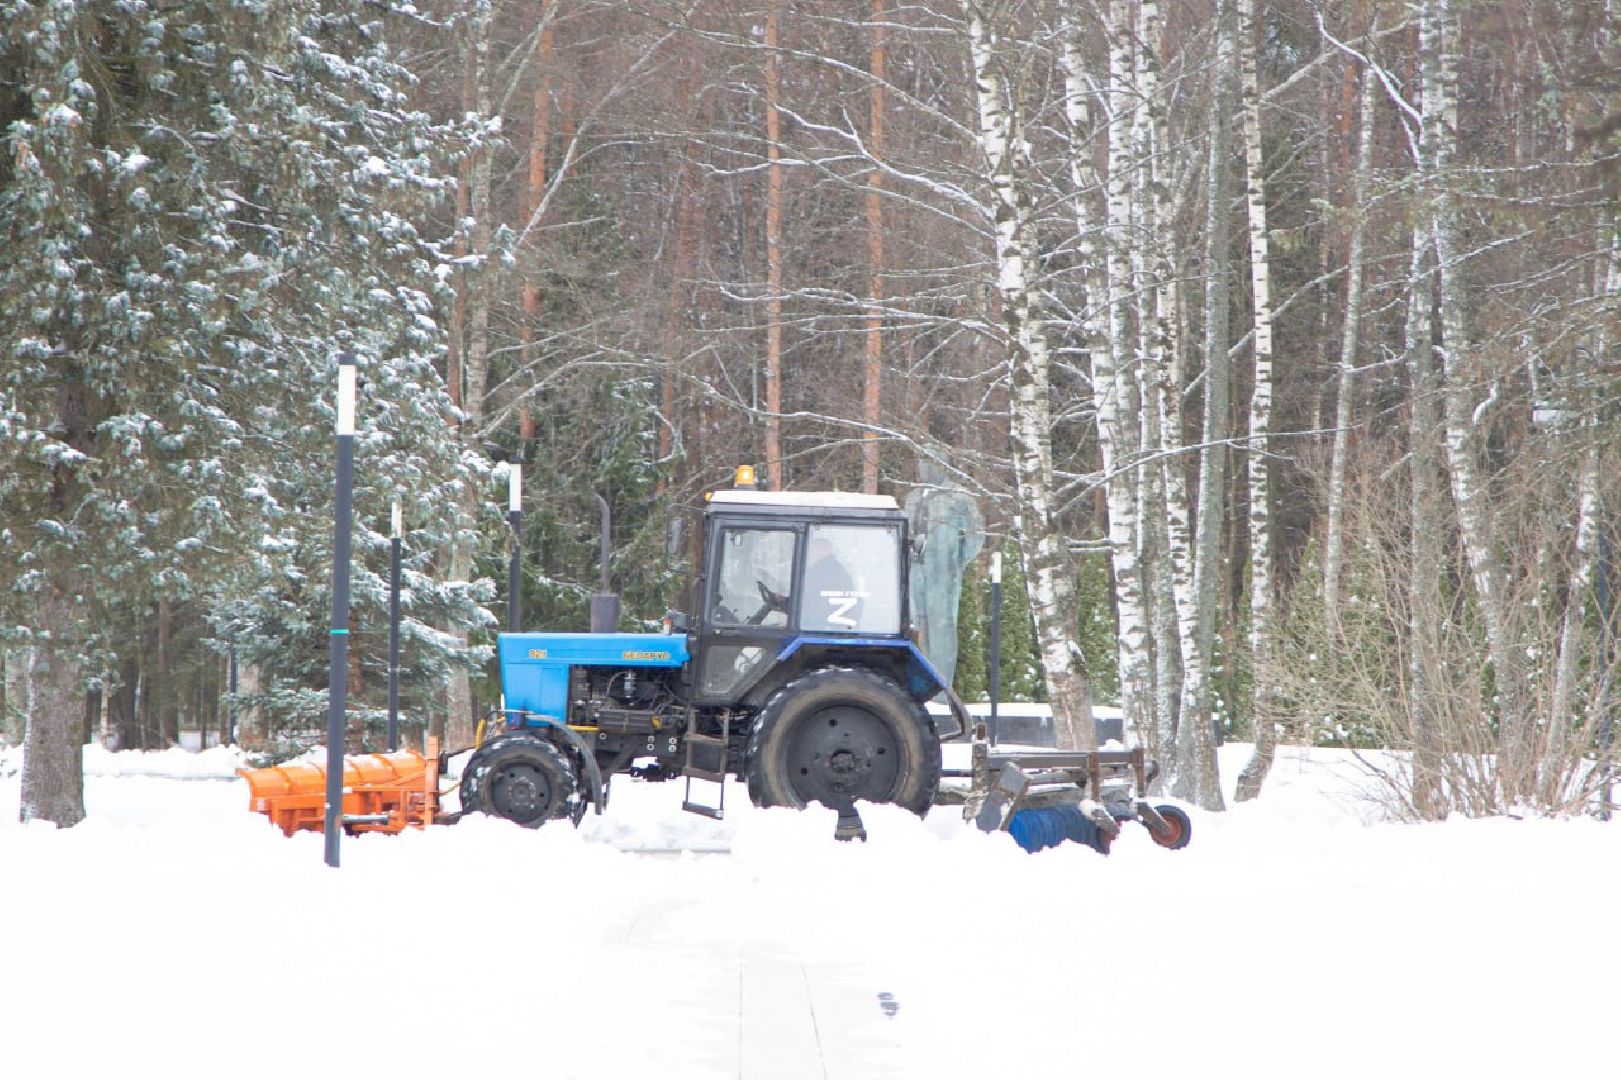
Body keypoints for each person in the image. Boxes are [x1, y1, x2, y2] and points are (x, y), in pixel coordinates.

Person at [803, 534, 860, 630]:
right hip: (831, 622)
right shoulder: (838, 570)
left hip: (819, 623)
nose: (810, 554)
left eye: (813, 550)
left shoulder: (820, 571)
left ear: (824, 550)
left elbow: (807, 598)